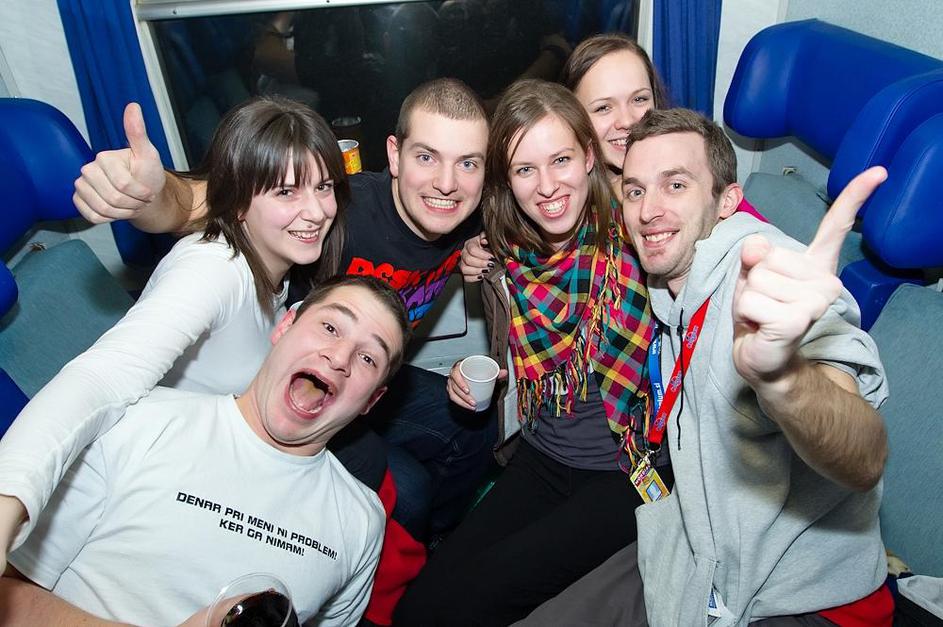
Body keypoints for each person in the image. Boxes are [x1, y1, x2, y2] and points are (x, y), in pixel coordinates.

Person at [518, 108, 893, 626]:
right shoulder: (669, 288)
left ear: (727, 202)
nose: (649, 210)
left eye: (676, 185)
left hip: (808, 597)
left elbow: (864, 457)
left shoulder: (762, 281)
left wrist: (784, 378)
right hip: (697, 552)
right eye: (635, 190)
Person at [0, 95, 348, 571]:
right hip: (136, 490)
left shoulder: (278, 265)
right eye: (286, 192)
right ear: (238, 203)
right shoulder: (213, 269)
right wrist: (8, 499)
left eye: (323, 187)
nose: (315, 211)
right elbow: (103, 377)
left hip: (203, 464)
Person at [395, 79, 662, 626]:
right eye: (524, 169)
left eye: (560, 160)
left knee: (477, 604)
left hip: (626, 471)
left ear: (589, 156)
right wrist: (475, 380)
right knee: (419, 608)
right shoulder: (504, 248)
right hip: (540, 454)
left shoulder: (645, 233)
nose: (546, 187)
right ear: (507, 181)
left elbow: (719, 222)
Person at [1, 274, 410, 626]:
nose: (339, 358)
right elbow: (10, 595)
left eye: (368, 358)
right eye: (331, 327)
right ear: (285, 326)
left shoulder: (362, 522)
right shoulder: (137, 423)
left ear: (371, 401)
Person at [460, 32, 763, 283]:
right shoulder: (564, 192)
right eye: (603, 108)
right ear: (573, 119)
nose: (627, 121)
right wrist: (480, 249)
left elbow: (752, 235)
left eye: (639, 99)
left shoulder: (690, 180)